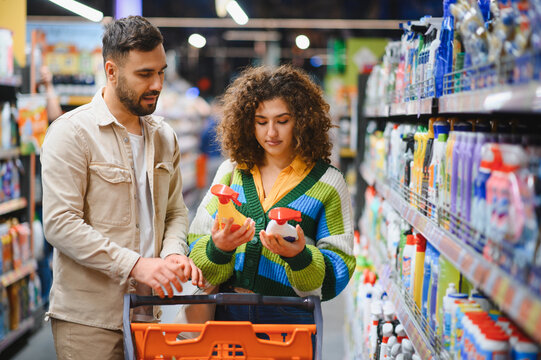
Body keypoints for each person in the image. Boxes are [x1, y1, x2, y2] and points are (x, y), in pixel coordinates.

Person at [41, 16, 203, 359]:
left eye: (161, 71)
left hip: (152, 312)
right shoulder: (72, 133)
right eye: (145, 74)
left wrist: (173, 251)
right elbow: (60, 223)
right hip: (91, 320)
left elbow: (174, 209)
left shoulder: (163, 136)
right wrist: (137, 265)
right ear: (111, 71)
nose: (157, 83)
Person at [187, 64, 355, 325]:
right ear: (247, 123)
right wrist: (219, 248)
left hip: (290, 321)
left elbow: (338, 271)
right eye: (261, 122)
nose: (271, 133)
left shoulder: (328, 183)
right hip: (227, 317)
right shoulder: (232, 172)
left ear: (302, 120)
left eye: (283, 121)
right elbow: (196, 246)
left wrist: (299, 256)